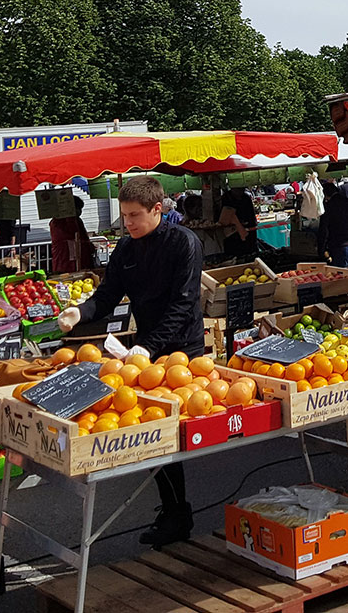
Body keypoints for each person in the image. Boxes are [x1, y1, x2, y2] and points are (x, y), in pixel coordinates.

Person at [57, 176, 202, 547]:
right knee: (157, 435)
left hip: (183, 348)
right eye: (124, 216)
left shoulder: (184, 243)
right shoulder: (125, 249)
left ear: (158, 209)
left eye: (135, 216)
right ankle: (174, 509)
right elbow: (107, 296)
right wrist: (81, 312)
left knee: (173, 435)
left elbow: (183, 305)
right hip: (146, 350)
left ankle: (177, 511)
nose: (129, 223)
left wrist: (148, 347)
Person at [318, 182, 348, 267]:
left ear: (325, 194)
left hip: (340, 246)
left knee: (342, 276)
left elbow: (323, 230)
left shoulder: (329, 207)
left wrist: (321, 249)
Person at [49, 197, 97, 273]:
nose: (80, 211)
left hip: (68, 258)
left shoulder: (55, 221)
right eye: (78, 208)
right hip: (69, 258)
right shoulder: (62, 221)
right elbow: (75, 233)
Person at [220, 187, 257, 258]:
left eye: (242, 189)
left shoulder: (246, 198)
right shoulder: (226, 198)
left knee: (250, 254)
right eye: (238, 189)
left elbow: (251, 216)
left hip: (248, 234)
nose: (240, 191)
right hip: (232, 235)